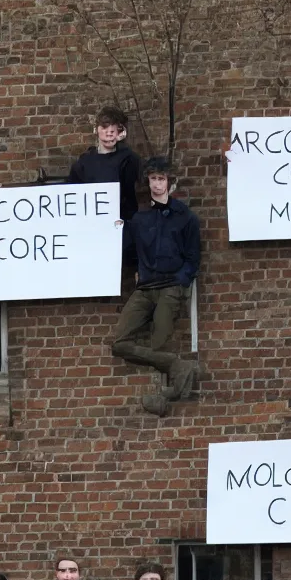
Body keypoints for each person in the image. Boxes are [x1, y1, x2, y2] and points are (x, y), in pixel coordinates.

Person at [112, 156, 201, 417]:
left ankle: (164, 394)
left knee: (159, 342)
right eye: (153, 179)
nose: (157, 184)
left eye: (161, 179)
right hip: (145, 287)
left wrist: (180, 283)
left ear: (169, 183)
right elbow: (129, 249)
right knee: (120, 342)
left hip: (170, 287)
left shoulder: (185, 218)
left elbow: (193, 258)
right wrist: (137, 267)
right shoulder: (140, 219)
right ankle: (177, 365)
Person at [68, 104, 141, 224]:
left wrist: (120, 143)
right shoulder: (84, 162)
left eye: (114, 129)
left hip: (120, 225)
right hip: (92, 225)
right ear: (96, 129)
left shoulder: (128, 159)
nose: (109, 133)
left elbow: (131, 192)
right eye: (104, 128)